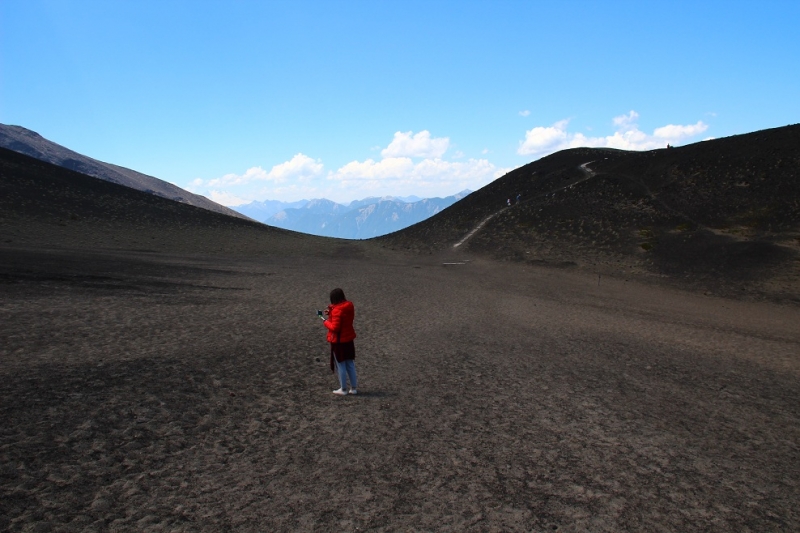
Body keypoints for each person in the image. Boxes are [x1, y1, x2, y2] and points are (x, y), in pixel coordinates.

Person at [322, 288, 358, 395]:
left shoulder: (337, 310)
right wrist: (331, 312)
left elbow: (335, 327)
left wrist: (325, 321)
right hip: (348, 339)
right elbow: (341, 316)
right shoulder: (349, 306)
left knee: (341, 365)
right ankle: (354, 388)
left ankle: (343, 389)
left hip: (339, 341)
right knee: (350, 363)